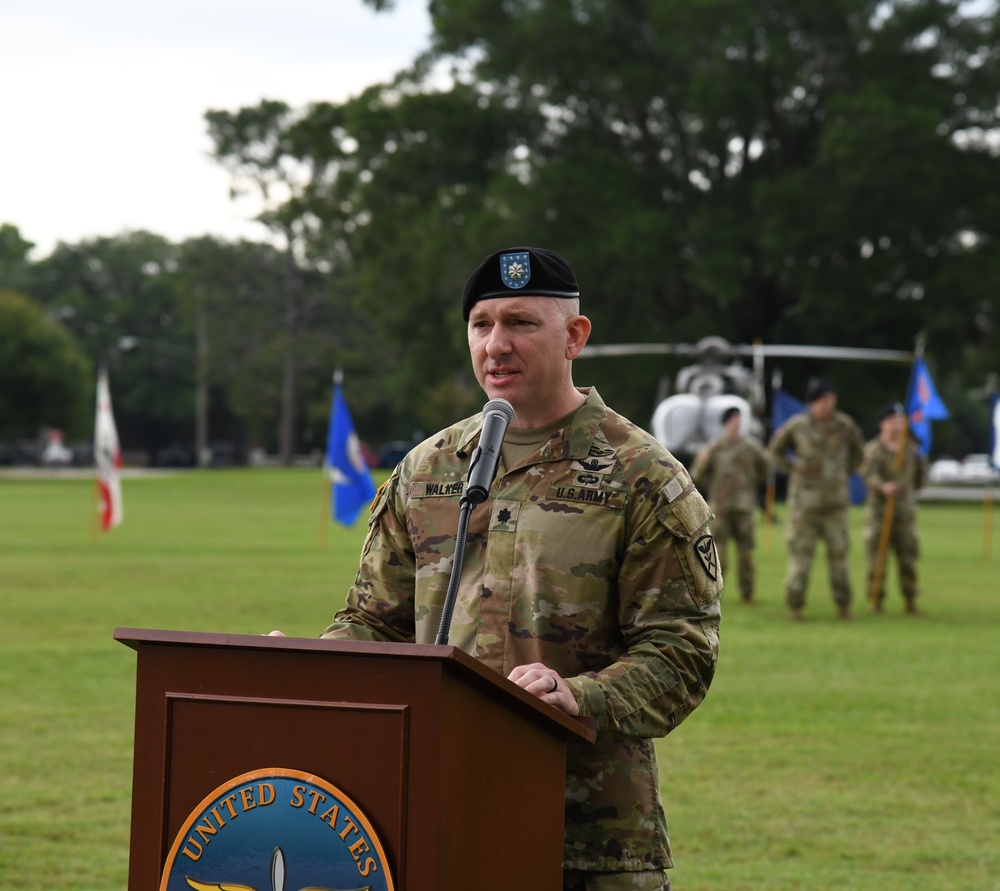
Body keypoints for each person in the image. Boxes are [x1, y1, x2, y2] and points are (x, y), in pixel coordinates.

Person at [320, 247, 722, 890]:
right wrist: (308, 667)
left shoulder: (642, 476)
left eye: (520, 323)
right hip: (437, 814)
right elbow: (377, 619)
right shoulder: (429, 470)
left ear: (574, 337)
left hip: (584, 840)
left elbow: (682, 651)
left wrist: (580, 696)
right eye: (481, 325)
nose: (495, 345)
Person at [767, 379, 865, 621]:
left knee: (840, 561)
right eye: (822, 401)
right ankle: (795, 607)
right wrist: (793, 470)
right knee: (800, 561)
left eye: (831, 400)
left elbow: (858, 453)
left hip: (835, 506)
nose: (828, 405)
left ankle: (844, 606)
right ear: (813, 403)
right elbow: (775, 451)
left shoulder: (844, 425)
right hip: (804, 507)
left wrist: (843, 473)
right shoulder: (798, 426)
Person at [691, 406, 770, 603]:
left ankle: (747, 593)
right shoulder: (715, 447)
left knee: (746, 553)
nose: (737, 423)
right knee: (718, 554)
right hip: (721, 507)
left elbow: (765, 470)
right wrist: (703, 464)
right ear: (726, 423)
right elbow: (698, 475)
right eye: (733, 419)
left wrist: (751, 486)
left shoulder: (751, 447)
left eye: (739, 419)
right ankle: (712, 593)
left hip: (744, 506)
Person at [861, 402, 928, 614]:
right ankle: (876, 600)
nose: (897, 425)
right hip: (879, 513)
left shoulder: (911, 450)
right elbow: (867, 474)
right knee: (877, 559)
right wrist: (883, 487)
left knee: (908, 558)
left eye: (900, 421)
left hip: (905, 514)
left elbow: (920, 479)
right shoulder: (873, 450)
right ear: (883, 424)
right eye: (892, 421)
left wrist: (906, 491)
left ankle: (910, 600)